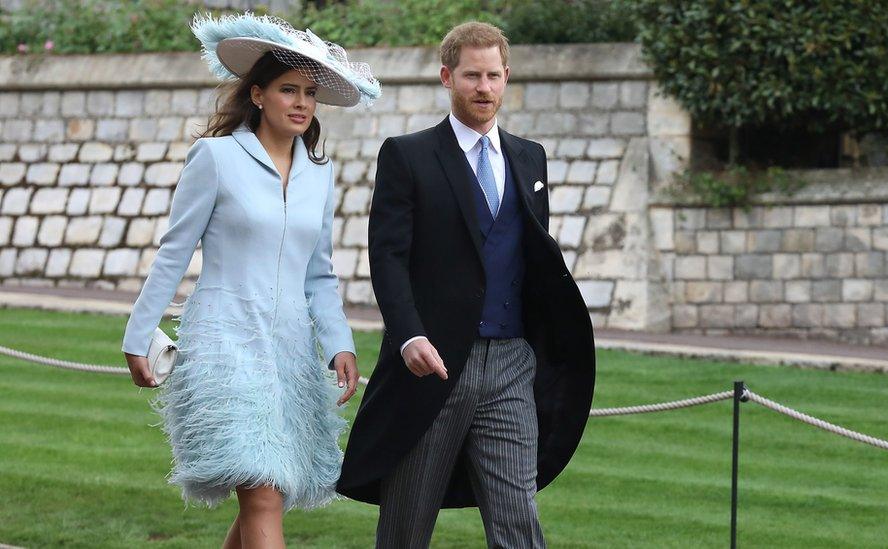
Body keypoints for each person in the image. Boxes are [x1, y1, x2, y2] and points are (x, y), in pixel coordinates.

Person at [120, 13, 380, 549]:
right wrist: (137, 334)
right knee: (261, 492)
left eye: (310, 92)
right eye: (289, 89)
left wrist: (339, 343)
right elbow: (174, 252)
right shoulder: (215, 158)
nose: (302, 102)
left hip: (290, 352)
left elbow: (320, 271)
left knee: (270, 492)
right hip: (224, 342)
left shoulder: (319, 174)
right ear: (258, 95)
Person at [337, 21, 596, 548]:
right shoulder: (407, 155)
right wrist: (408, 335)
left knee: (518, 521)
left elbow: (532, 259)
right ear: (446, 77)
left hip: (510, 365)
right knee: (407, 526)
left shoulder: (530, 157)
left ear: (506, 79)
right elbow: (387, 258)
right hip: (431, 364)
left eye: (494, 76)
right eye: (472, 75)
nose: (484, 87)